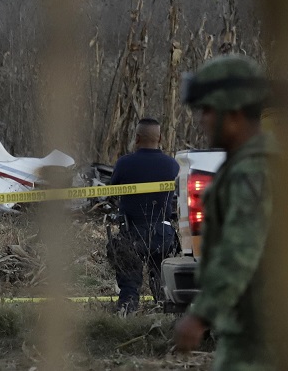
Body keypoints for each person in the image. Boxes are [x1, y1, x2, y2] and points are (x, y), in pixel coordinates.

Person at [173, 54, 276, 370]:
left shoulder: (253, 170)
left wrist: (200, 315)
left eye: (207, 110)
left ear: (233, 113)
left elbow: (239, 251)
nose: (202, 119)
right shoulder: (245, 165)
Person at [107, 118, 180, 314]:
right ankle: (166, 316)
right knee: (162, 282)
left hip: (132, 234)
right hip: (162, 234)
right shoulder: (172, 165)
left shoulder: (124, 163)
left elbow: (111, 193)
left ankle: (126, 312)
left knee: (129, 284)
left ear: (137, 138)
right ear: (160, 138)